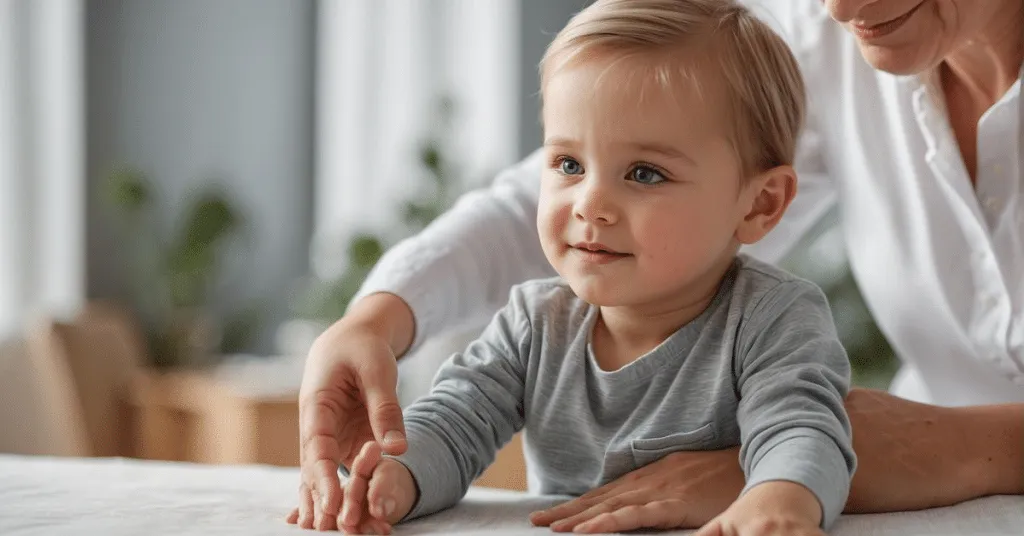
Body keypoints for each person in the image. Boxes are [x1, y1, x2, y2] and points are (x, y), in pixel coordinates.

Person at [291, 0, 1024, 533]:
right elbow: (455, 420)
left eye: (643, 175)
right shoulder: (536, 320)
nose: (591, 206)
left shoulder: (772, 317)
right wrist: (392, 447)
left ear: (761, 205)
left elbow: (798, 426)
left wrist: (778, 493)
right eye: (568, 165)